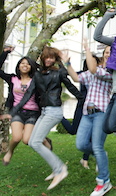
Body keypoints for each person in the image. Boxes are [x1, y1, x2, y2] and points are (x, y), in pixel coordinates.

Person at [13, 46, 84, 190]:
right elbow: (28, 94)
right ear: (43, 58)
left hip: (54, 111)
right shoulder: (38, 75)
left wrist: (83, 98)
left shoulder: (59, 73)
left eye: (52, 57)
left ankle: (60, 169)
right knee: (32, 142)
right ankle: (56, 167)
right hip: (44, 111)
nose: (49, 60)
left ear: (55, 59)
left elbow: (71, 87)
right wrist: (15, 108)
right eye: (47, 57)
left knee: (37, 142)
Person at [65, 39, 113, 196]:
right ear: (103, 55)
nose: (108, 54)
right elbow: (77, 78)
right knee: (80, 144)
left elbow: (92, 68)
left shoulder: (112, 72)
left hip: (101, 112)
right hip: (87, 113)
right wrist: (67, 64)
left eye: (111, 52)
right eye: (106, 52)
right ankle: (102, 157)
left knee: (97, 146)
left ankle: (104, 182)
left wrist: (86, 48)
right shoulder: (94, 71)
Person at [0, 48, 52, 166]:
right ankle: (10, 152)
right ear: (18, 66)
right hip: (18, 112)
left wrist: (38, 63)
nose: (25, 65)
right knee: (17, 137)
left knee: (27, 140)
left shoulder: (36, 79)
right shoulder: (12, 79)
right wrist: (5, 53)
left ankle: (43, 138)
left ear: (31, 67)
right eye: (22, 63)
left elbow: (45, 72)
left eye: (28, 64)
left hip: (33, 113)